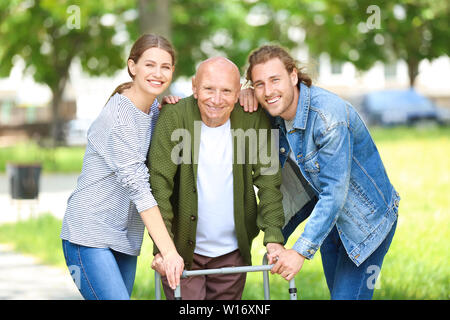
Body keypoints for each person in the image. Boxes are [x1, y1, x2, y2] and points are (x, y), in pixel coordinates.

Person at [240, 45, 400, 300]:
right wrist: (243, 93)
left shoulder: (328, 118)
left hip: (365, 220)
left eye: (275, 80)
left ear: (293, 76)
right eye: (259, 84)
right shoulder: (274, 109)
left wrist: (300, 252)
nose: (268, 91)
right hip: (329, 219)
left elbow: (335, 191)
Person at [149, 57, 285, 300]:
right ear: (194, 87)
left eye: (226, 91)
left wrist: (273, 238)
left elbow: (269, 181)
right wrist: (163, 249)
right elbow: (159, 186)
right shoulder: (174, 116)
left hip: (232, 254)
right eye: (208, 89)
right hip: (181, 253)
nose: (216, 99)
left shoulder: (254, 118)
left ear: (238, 93)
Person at [60, 34, 184, 300]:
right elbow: (139, 188)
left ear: (173, 71)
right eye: (149, 65)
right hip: (88, 235)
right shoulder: (119, 118)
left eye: (165, 67)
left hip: (125, 238)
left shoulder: (152, 107)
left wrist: (168, 112)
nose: (158, 73)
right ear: (132, 66)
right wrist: (169, 251)